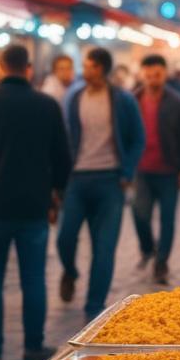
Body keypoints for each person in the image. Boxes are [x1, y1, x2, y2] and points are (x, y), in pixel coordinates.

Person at [0, 44, 72, 360]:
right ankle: (33, 347)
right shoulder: (46, 106)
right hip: (34, 208)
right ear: (29, 69)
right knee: (33, 278)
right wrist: (56, 195)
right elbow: (62, 159)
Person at [57, 48, 145, 319]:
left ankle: (94, 305)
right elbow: (65, 139)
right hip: (77, 180)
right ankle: (70, 271)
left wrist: (127, 172)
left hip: (110, 181)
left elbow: (137, 138)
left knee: (104, 246)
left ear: (103, 69)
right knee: (64, 238)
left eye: (91, 66)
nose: (86, 71)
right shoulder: (75, 99)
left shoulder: (122, 100)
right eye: (86, 66)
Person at [129, 54, 180, 284]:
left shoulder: (177, 101)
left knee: (168, 219)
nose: (153, 78)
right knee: (139, 213)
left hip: (169, 170)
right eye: (148, 74)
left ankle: (161, 262)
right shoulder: (133, 99)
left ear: (165, 74)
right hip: (142, 169)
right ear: (142, 74)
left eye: (157, 74)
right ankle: (148, 248)